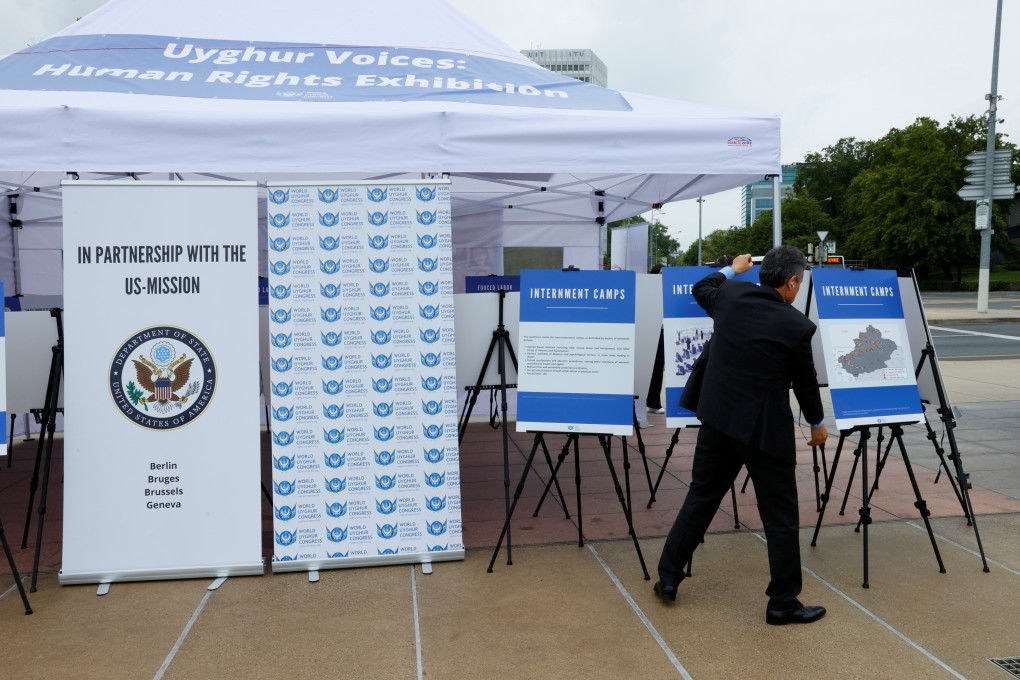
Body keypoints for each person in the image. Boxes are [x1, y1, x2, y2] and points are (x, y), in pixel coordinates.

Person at [653, 245, 829, 626]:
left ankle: (668, 578)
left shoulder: (730, 296)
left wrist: (732, 269)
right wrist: (817, 423)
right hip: (764, 431)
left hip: (717, 419)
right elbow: (805, 383)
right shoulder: (797, 326)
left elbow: (702, 287)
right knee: (779, 515)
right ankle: (782, 602)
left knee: (701, 496)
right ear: (793, 281)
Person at [646, 264, 666, 415]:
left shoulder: (667, 289)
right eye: (661, 273)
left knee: (658, 368)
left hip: (662, 331)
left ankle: (653, 402)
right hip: (649, 329)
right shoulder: (648, 289)